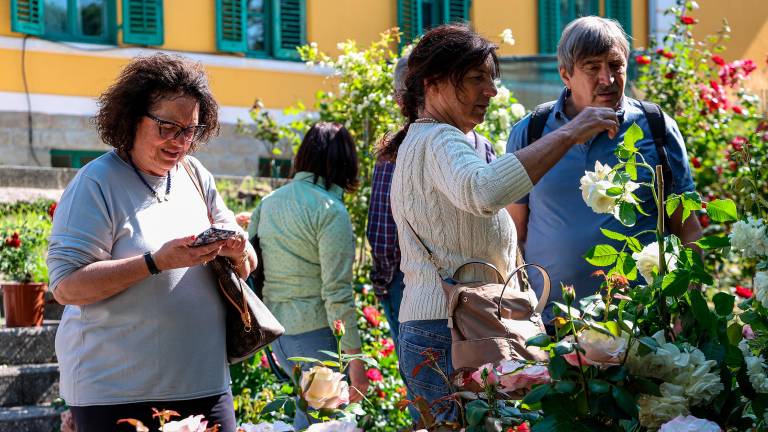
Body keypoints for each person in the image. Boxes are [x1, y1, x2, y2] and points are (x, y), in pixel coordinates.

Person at [383, 23, 623, 422]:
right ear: (434, 83)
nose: (490, 92)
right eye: (477, 79)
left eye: (491, 80)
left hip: (446, 328)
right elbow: (483, 191)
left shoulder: (426, 139)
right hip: (450, 332)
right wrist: (570, 133)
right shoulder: (440, 139)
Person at [46, 54, 256, 432]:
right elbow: (66, 286)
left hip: (205, 383)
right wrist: (154, 262)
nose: (180, 142)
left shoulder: (195, 175)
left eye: (190, 130)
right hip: (117, 392)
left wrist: (239, 249)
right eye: (167, 127)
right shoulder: (96, 183)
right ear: (131, 119)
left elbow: (246, 259)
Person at [506, 16, 702, 325]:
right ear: (565, 75)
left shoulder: (656, 127)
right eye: (592, 67)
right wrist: (518, 313)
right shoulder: (530, 132)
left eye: (615, 65)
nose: (607, 79)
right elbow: (513, 233)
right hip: (550, 324)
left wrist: (688, 307)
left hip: (642, 322)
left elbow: (686, 226)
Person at [367, 56, 497, 346]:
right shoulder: (482, 146)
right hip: (480, 282)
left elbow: (382, 230)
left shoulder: (400, 147)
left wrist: (384, 283)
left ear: (405, 96)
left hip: (418, 285)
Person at [247, 122, 369, 401]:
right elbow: (337, 293)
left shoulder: (268, 202)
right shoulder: (330, 211)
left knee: (310, 416)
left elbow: (253, 269)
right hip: (315, 333)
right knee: (324, 422)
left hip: (278, 334)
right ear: (345, 162)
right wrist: (358, 366)